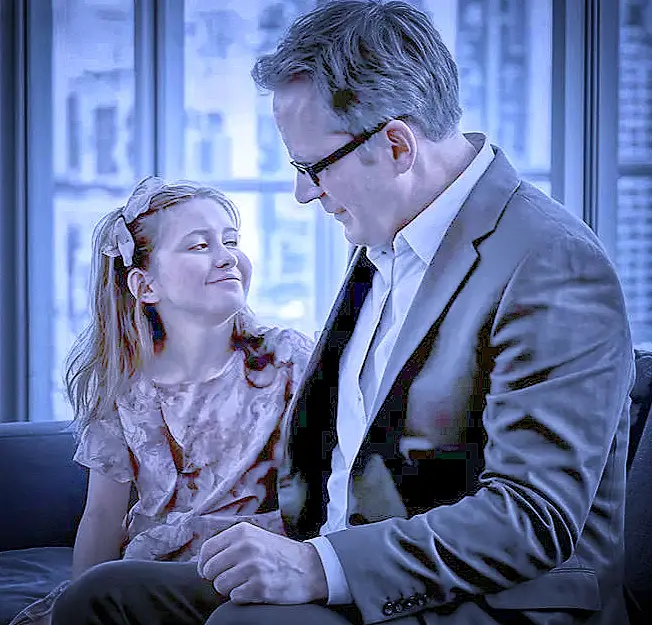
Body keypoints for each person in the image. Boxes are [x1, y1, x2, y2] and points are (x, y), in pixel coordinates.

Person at [52, 2, 635, 624]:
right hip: (340, 564)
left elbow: (533, 517)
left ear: (396, 145)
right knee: (101, 598)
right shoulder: (388, 238)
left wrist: (320, 567)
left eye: (313, 168)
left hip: (478, 601)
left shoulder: (551, 261)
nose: (304, 193)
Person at [11, 177, 312, 625]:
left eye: (231, 241)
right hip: (149, 569)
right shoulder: (124, 387)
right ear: (145, 285)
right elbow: (102, 515)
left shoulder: (286, 358)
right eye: (200, 246)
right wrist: (80, 598)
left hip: (246, 564)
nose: (227, 256)